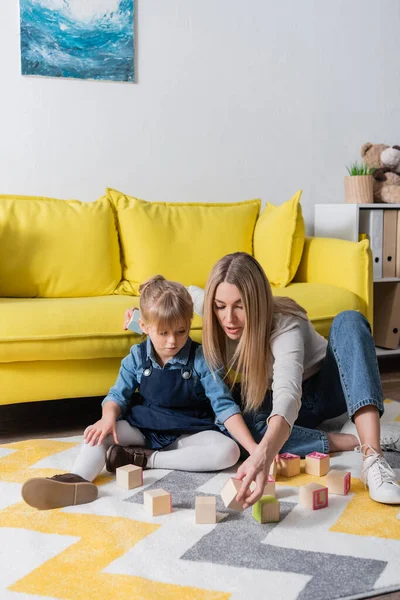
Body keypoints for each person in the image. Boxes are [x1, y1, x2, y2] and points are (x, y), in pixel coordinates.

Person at [22, 275, 259, 511]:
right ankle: (76, 481)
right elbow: (117, 396)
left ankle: (144, 459)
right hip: (145, 427)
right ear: (144, 327)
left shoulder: (202, 359)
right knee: (96, 433)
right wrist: (107, 418)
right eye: (163, 333)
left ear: (189, 323)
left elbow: (224, 406)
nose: (172, 341)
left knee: (229, 451)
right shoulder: (136, 357)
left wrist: (254, 450)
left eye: (181, 331)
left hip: (189, 431)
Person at [197, 252, 400, 508]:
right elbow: (180, 295)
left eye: (240, 306)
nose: (229, 318)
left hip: (326, 391)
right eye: (220, 306)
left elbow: (288, 395)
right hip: (283, 404)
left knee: (350, 320)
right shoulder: (213, 311)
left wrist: (263, 457)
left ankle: (372, 456)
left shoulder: (285, 326)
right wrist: (142, 317)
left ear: (258, 302)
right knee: (234, 420)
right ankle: (348, 439)